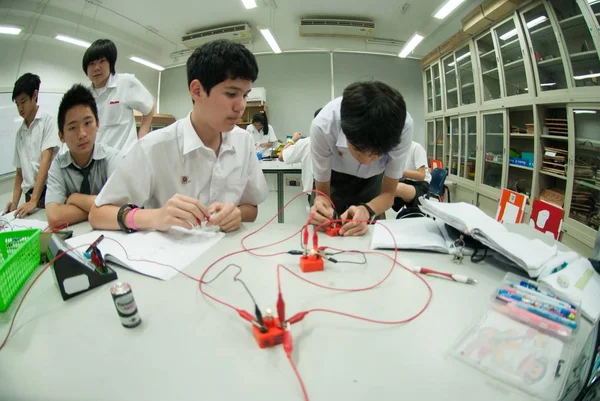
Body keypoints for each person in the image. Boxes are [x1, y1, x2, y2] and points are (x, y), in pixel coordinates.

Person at [89, 39, 268, 233]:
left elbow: (252, 207)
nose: (240, 106)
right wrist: (155, 216)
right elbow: (97, 214)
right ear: (197, 91)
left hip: (225, 256)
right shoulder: (154, 147)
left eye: (245, 95)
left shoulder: (243, 141)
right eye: (232, 94)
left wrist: (238, 214)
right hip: (170, 258)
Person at [310, 81, 413, 236]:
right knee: (326, 230)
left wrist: (368, 210)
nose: (366, 160)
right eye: (358, 150)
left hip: (373, 180)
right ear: (345, 131)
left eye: (378, 154)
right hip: (333, 178)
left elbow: (388, 194)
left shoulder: (402, 127)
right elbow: (322, 195)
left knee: (369, 236)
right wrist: (320, 204)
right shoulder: (324, 126)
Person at [45, 84, 124, 227]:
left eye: (88, 123)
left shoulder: (112, 158)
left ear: (97, 124)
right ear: (61, 136)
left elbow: (121, 206)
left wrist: (75, 198)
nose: (82, 134)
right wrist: (102, 209)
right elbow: (54, 217)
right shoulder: (58, 165)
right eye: (73, 127)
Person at [3, 73, 60, 218]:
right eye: (17, 104)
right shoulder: (20, 133)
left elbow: (46, 161)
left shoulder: (47, 121)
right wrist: (14, 204)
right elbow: (19, 173)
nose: (20, 108)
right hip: (30, 196)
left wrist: (35, 200)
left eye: (23, 102)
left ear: (35, 95)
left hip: (48, 192)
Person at [82, 39, 155, 152]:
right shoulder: (84, 96)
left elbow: (150, 106)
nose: (96, 68)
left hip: (124, 158)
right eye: (92, 64)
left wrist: (142, 136)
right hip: (96, 161)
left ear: (110, 63)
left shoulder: (125, 83)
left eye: (102, 61)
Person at [278, 108, 322, 205]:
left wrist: (293, 140)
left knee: (319, 218)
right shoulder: (343, 142)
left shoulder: (306, 142)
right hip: (340, 191)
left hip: (315, 191)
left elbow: (281, 156)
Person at [392, 141, 431, 213]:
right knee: (379, 190)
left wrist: (399, 172)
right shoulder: (394, 150)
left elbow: (421, 175)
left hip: (420, 184)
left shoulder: (416, 147)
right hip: (405, 181)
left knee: (396, 188)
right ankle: (378, 221)